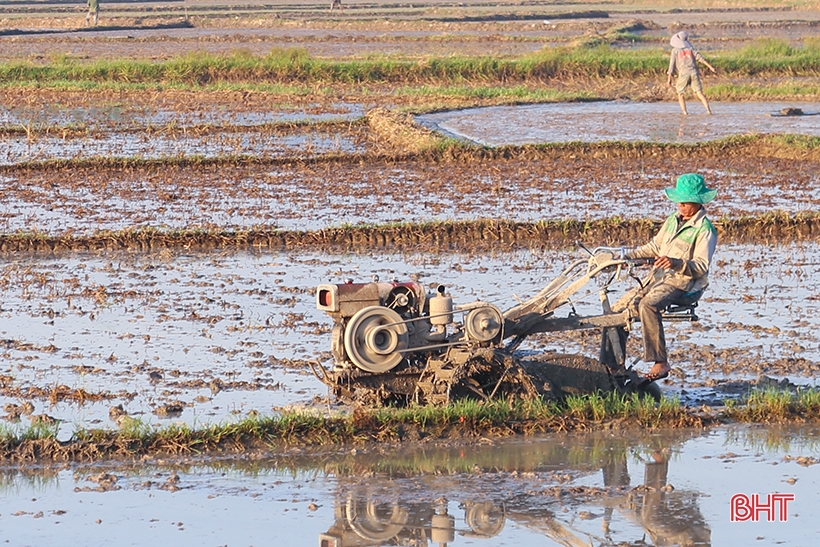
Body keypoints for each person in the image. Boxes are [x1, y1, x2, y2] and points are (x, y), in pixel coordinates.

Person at [619, 173, 718, 383]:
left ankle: (660, 362)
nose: (680, 205)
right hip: (658, 279)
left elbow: (701, 266)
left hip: (683, 284)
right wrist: (628, 258)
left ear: (698, 202)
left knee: (648, 304)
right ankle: (612, 364)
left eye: (685, 202)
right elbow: (655, 247)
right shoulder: (672, 221)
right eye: (679, 201)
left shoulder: (704, 230)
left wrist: (676, 263)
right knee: (617, 312)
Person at [667, 31, 716, 115]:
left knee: (680, 93)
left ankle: (685, 112)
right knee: (699, 93)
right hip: (694, 73)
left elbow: (671, 65)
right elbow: (700, 58)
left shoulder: (675, 51)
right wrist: (710, 67)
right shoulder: (691, 49)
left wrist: (669, 79)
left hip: (683, 74)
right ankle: (708, 110)